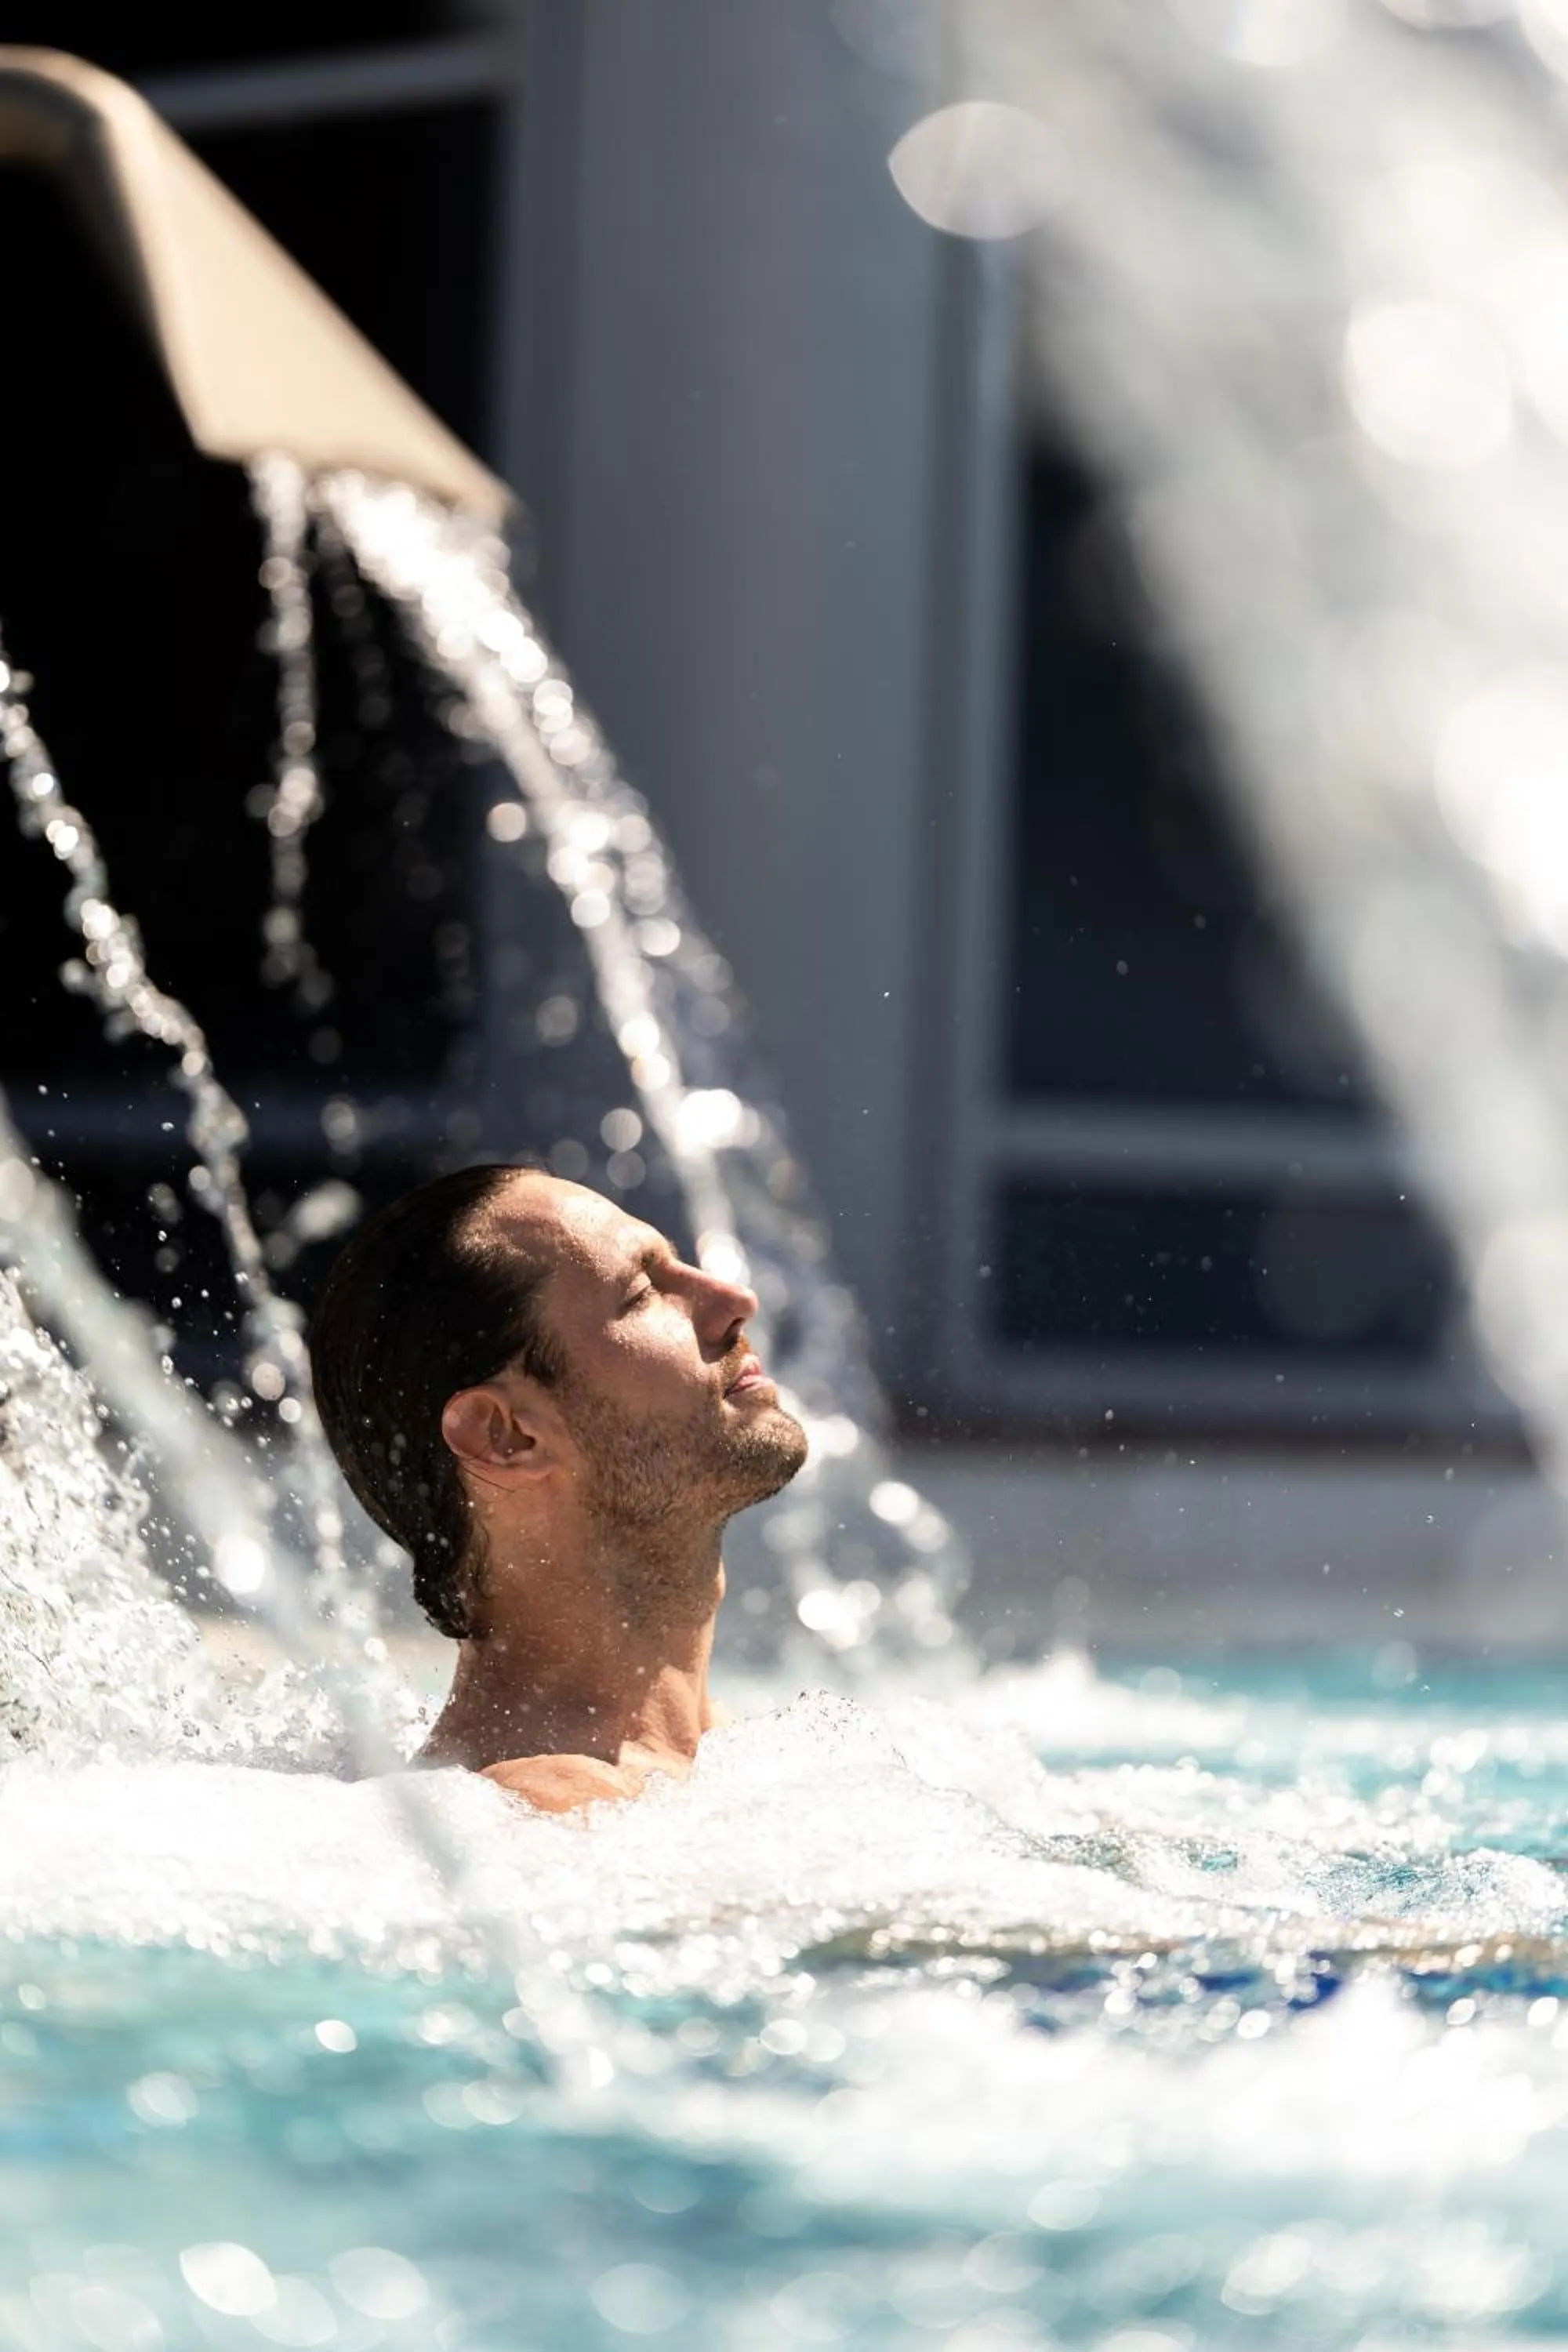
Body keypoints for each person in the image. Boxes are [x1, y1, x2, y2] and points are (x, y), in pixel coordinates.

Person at [309, 1163, 808, 1813]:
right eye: (641, 1293)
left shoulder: (742, 1765)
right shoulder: (547, 1816)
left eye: (677, 1263)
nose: (734, 1299)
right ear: (505, 1435)